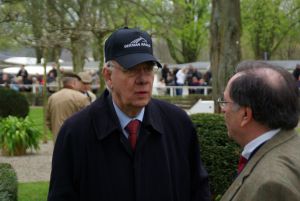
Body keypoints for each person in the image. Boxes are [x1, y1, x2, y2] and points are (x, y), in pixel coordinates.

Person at [48, 27, 210, 201]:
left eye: (148, 69)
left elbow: (198, 191)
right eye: (132, 69)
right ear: (108, 76)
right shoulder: (75, 133)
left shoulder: (178, 124)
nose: (143, 79)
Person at [219, 61, 300, 201]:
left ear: (245, 115)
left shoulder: (272, 183)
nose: (222, 109)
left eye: (225, 102)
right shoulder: (291, 146)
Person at [46, 73, 90, 143]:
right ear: (74, 83)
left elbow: (48, 120)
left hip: (58, 138)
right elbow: (89, 120)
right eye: (79, 83)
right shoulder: (82, 98)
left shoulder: (52, 97)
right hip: (76, 139)